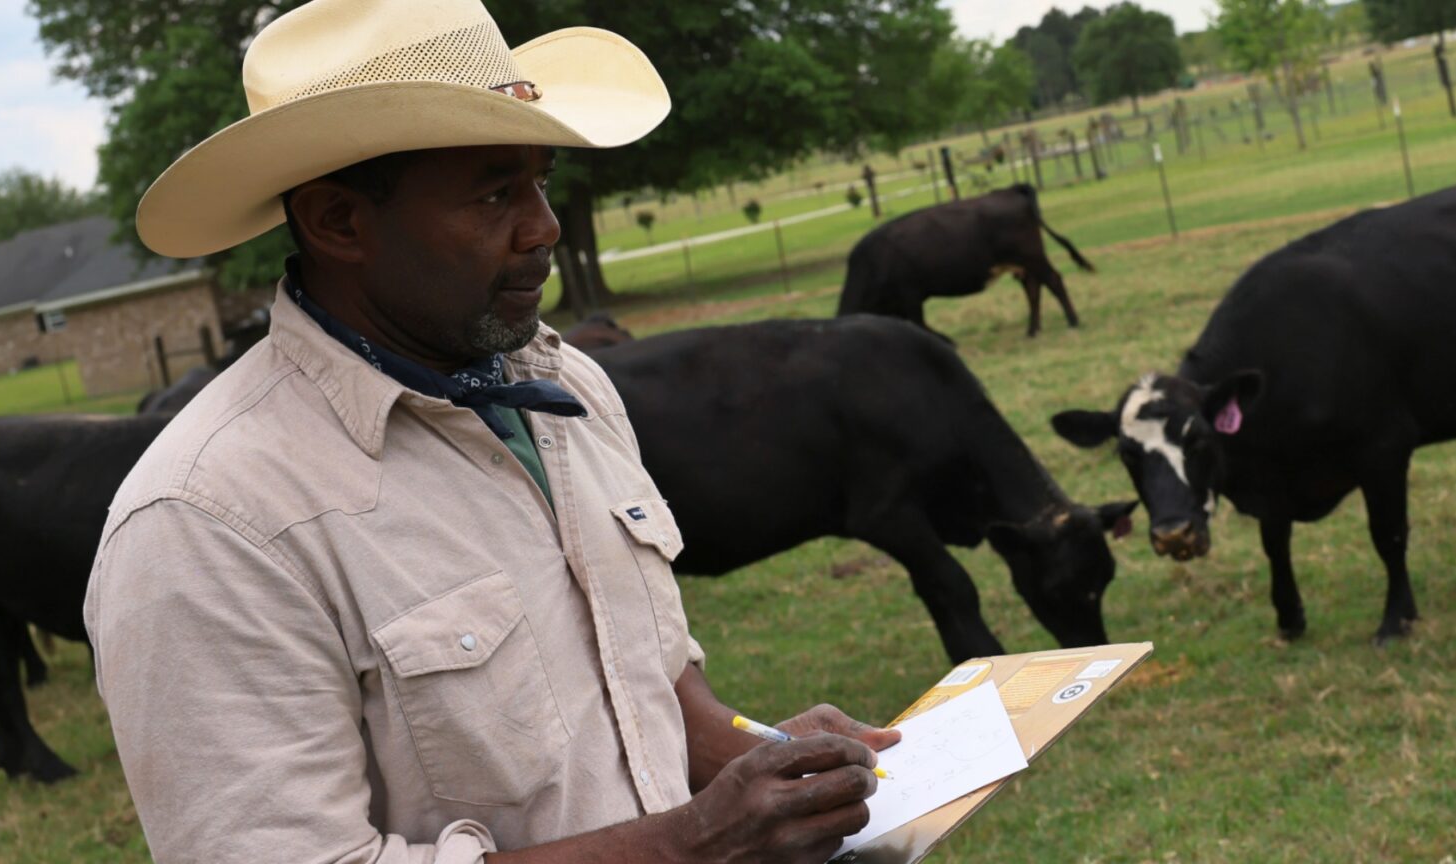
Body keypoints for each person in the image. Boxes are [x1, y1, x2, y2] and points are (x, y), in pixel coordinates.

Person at [84, 1, 899, 862]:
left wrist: (757, 749)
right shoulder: (208, 522)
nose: (543, 225)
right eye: (494, 192)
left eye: (541, 181)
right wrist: (692, 844)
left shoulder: (562, 387)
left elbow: (646, 679)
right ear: (337, 223)